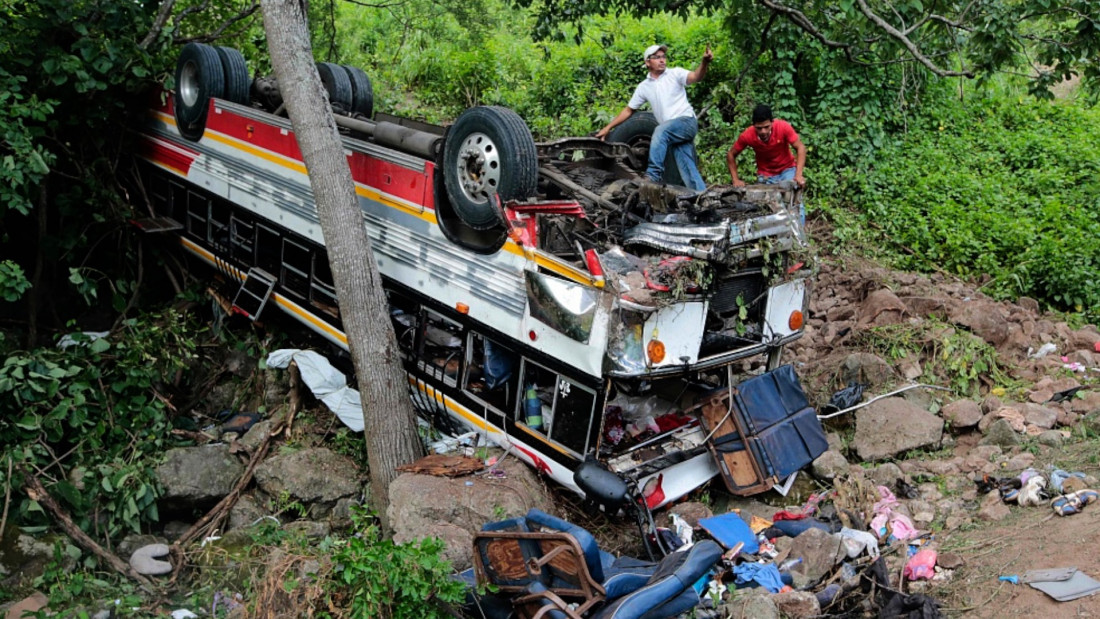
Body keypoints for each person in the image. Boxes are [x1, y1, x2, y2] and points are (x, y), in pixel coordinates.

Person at [596, 44, 712, 192]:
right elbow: (628, 110)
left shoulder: (675, 74)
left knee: (660, 130)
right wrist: (607, 128)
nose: (662, 60)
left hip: (686, 122)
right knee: (687, 169)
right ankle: (702, 196)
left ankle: (652, 175)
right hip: (672, 132)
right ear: (647, 62)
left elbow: (696, 77)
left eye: (663, 56)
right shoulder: (644, 87)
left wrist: (704, 63)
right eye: (657, 57)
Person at [727, 104, 806, 188]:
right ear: (753, 125)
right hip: (765, 175)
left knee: (791, 196)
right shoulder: (747, 135)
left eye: (766, 127)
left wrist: (798, 175)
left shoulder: (783, 127)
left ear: (772, 122)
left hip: (787, 169)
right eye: (759, 128)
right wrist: (735, 180)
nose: (763, 132)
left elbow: (801, 147)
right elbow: (731, 154)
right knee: (764, 200)